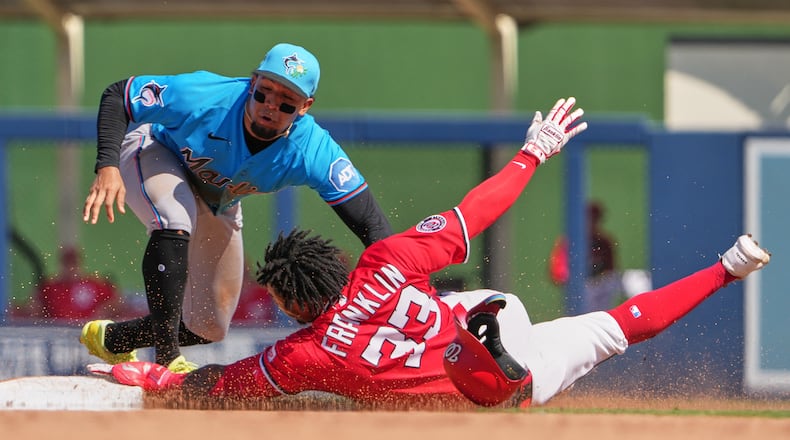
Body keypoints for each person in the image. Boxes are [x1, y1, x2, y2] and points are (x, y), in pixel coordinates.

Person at [91, 97, 769, 409]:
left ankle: (482, 355)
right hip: (484, 324)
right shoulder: (384, 258)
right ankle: (725, 268)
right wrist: (534, 154)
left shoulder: (302, 353)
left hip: (498, 392)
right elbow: (476, 212)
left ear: (297, 303)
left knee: (498, 376)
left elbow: (221, 386)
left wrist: (159, 381)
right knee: (610, 324)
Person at [79, 42, 392, 373]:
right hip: (155, 149)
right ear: (253, 81)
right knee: (174, 217)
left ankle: (113, 340)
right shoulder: (206, 95)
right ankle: (166, 361)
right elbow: (119, 96)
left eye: (286, 101)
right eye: (263, 92)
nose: (270, 105)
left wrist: (408, 286)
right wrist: (107, 166)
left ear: (305, 106)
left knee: (209, 325)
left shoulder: (314, 150)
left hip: (218, 198)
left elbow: (373, 225)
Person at [549, 201, 622, 312]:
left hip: (600, 287)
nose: (592, 223)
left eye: (595, 219)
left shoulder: (604, 241)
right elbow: (558, 273)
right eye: (589, 218)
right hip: (579, 288)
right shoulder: (569, 240)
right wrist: (573, 281)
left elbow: (612, 272)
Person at [21, 247, 123, 323]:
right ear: (61, 265)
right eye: (67, 265)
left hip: (87, 332)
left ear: (80, 264)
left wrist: (102, 313)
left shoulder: (93, 284)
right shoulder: (51, 286)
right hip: (58, 332)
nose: (71, 269)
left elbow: (116, 301)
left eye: (73, 264)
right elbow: (33, 306)